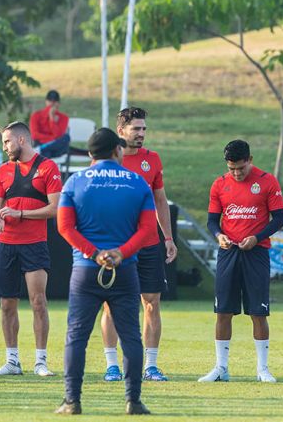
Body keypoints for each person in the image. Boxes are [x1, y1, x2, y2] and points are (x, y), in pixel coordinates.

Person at [56, 128, 156, 415]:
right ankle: (133, 401)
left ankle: (72, 401)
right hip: (125, 271)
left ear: (90, 154)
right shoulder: (137, 183)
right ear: (117, 151)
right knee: (131, 337)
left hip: (86, 270)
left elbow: (65, 227)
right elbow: (148, 229)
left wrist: (94, 253)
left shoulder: (74, 182)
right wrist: (120, 253)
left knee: (76, 336)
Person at [99, 107, 177, 382]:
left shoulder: (152, 160)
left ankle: (150, 366)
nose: (142, 134)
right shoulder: (108, 161)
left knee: (152, 303)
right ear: (121, 131)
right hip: (118, 246)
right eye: (136, 129)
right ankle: (112, 366)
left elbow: (160, 201)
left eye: (144, 129)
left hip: (149, 245)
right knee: (111, 305)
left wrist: (167, 238)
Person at [199, 140, 283, 383]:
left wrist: (257, 238)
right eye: (231, 168)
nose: (236, 173)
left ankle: (262, 369)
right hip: (229, 253)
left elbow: (279, 219)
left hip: (256, 253)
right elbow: (212, 221)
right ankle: (221, 369)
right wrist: (219, 236)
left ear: (250, 159)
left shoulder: (267, 181)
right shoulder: (219, 184)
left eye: (240, 168)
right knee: (223, 310)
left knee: (258, 312)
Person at [0, 121, 61, 377]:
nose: (4, 147)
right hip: (6, 244)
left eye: (7, 141)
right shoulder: (3, 171)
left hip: (34, 245)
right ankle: (12, 361)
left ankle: (40, 362)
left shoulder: (48, 167)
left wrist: (20, 213)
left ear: (21, 140)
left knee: (38, 302)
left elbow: (54, 209)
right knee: (7, 304)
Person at [29, 90, 70, 159]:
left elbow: (59, 135)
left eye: (55, 101)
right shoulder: (36, 115)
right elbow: (34, 135)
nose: (52, 103)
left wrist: (52, 119)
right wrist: (53, 139)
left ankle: (41, 149)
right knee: (47, 153)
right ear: (46, 102)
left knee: (66, 138)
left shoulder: (64, 117)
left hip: (56, 148)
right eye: (50, 100)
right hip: (43, 144)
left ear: (58, 103)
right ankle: (43, 149)